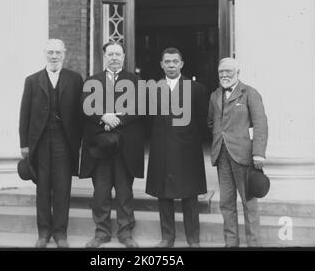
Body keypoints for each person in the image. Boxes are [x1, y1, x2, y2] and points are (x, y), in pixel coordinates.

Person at [19, 39, 83, 248]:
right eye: (50, 53)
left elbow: (80, 113)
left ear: (65, 54)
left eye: (58, 52)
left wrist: (80, 142)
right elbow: (24, 114)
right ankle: (44, 232)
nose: (54, 56)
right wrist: (24, 144)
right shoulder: (32, 80)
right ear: (44, 55)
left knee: (63, 187)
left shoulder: (75, 79)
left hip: (64, 141)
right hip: (40, 141)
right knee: (43, 187)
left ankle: (60, 233)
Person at [80, 42, 144, 248]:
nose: (114, 57)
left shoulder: (135, 81)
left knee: (125, 192)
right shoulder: (91, 81)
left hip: (125, 148)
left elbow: (140, 108)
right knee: (101, 192)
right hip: (100, 147)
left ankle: (125, 234)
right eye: (110, 54)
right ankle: (102, 233)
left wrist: (118, 120)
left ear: (124, 56)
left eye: (118, 54)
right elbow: (85, 108)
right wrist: (102, 118)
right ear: (104, 57)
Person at [146, 47, 208, 248]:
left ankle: (193, 239)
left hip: (188, 150)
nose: (171, 65)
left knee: (190, 195)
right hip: (161, 148)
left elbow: (203, 120)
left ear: (181, 64)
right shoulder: (153, 89)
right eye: (167, 62)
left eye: (175, 61)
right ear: (161, 65)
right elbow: (148, 120)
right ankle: (167, 237)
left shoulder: (196, 88)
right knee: (164, 194)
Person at [207, 57, 268, 247]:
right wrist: (220, 138)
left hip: (243, 156)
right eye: (221, 72)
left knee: (249, 204)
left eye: (228, 71)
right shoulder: (215, 95)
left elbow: (261, 125)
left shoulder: (250, 93)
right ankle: (231, 243)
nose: (224, 75)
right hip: (222, 156)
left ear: (238, 73)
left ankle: (254, 244)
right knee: (226, 204)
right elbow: (212, 123)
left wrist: (258, 153)